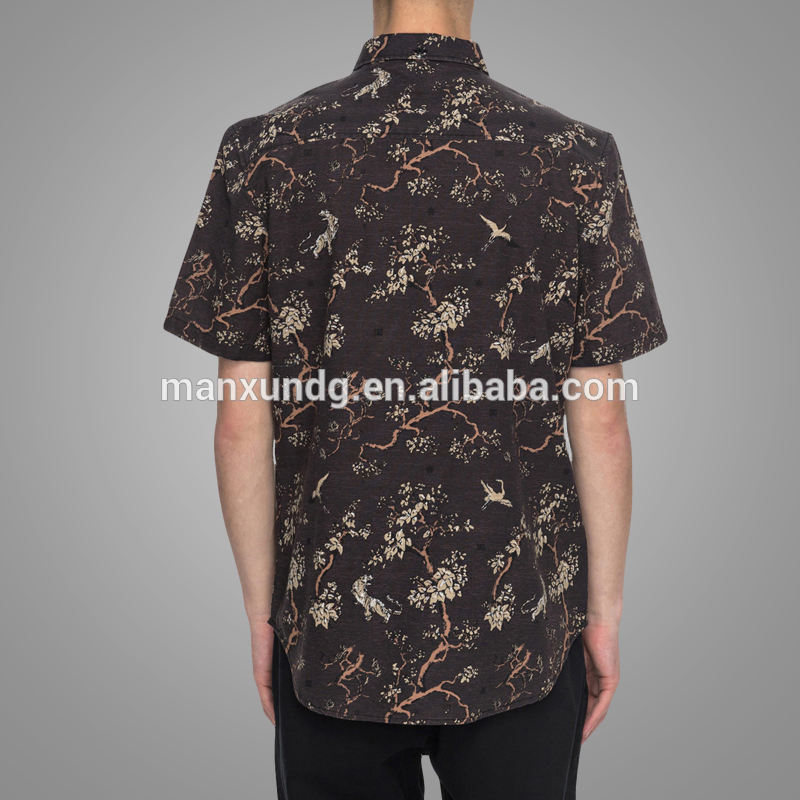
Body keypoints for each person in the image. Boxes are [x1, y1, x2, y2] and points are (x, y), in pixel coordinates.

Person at [162, 1, 667, 797]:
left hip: (332, 632)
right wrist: (601, 615)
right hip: (521, 628)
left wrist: (267, 616)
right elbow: (599, 421)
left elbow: (239, 423)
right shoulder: (574, 156)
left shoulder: (266, 149)